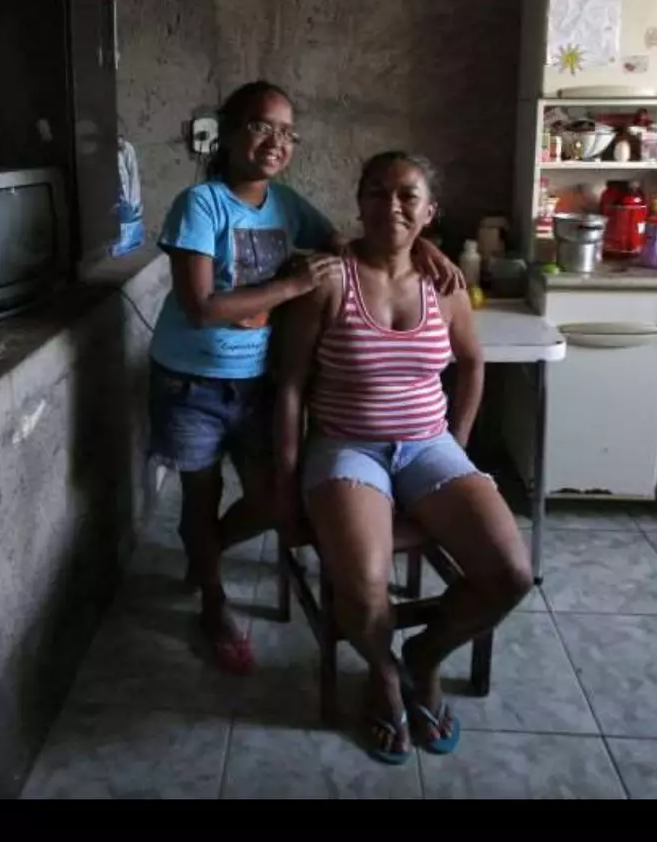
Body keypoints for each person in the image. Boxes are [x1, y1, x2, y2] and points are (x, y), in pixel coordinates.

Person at [148, 84, 461, 674]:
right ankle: (213, 600)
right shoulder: (201, 205)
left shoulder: (286, 205)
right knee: (201, 493)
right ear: (229, 132)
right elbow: (200, 306)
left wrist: (426, 252)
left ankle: (204, 550)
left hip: (257, 381)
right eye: (262, 127)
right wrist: (290, 287)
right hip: (190, 383)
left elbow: (347, 244)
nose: (276, 142)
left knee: (272, 500)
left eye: (287, 132)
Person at [273, 150, 533, 762]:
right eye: (376, 192)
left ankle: (425, 655)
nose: (391, 205)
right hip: (347, 448)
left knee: (510, 575)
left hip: (429, 448)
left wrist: (457, 446)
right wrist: (285, 484)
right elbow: (287, 387)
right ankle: (386, 674)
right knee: (364, 591)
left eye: (407, 195)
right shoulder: (329, 280)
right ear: (359, 202)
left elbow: (471, 363)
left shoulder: (446, 285)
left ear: (429, 211)